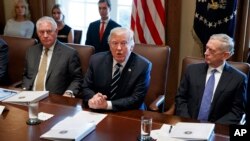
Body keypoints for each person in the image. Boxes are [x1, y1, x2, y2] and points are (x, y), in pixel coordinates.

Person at [175, 34, 247, 125]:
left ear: (225, 55)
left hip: (218, 129)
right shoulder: (191, 70)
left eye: (211, 51)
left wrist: (213, 127)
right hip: (188, 123)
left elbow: (237, 111)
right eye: (206, 48)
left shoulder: (238, 79)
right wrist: (188, 121)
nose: (206, 53)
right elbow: (180, 98)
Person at [82, 27, 152, 111]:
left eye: (123, 43)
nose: (118, 48)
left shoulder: (143, 66)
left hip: (130, 112)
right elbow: (86, 87)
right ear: (109, 46)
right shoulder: (96, 60)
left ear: (131, 46)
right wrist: (94, 99)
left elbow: (137, 99)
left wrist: (107, 105)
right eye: (114, 43)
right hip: (98, 110)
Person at [22, 16, 83, 97]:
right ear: (37, 33)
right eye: (41, 32)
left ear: (56, 32)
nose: (45, 35)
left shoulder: (69, 53)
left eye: (49, 31)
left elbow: (77, 79)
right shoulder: (31, 51)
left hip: (55, 99)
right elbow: (26, 75)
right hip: (29, 97)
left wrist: (69, 92)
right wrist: (25, 89)